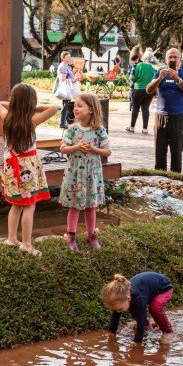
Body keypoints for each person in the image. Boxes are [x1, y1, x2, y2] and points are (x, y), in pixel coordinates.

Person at [0, 83, 57, 257]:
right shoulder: (32, 120)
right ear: (31, 103)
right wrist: (34, 107)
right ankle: (26, 244)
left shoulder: (6, 116)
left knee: (16, 204)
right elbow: (53, 108)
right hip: (27, 167)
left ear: (13, 101)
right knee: (29, 205)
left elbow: (0, 103)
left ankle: (11, 238)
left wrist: (15, 105)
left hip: (10, 166)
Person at [59, 93, 111, 251]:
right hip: (75, 173)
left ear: (91, 110)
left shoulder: (99, 130)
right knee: (74, 206)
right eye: (75, 105)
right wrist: (76, 147)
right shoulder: (72, 129)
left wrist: (93, 149)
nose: (75, 108)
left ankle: (91, 235)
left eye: (80, 106)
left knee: (91, 206)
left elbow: (107, 151)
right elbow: (62, 148)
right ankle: (71, 237)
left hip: (92, 174)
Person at [146, 48, 183, 173]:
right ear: (166, 59)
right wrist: (159, 79)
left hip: (177, 117)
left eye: (175, 57)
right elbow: (148, 89)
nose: (172, 59)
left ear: (180, 59)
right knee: (160, 152)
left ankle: (176, 179)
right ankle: (159, 178)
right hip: (160, 116)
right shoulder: (159, 73)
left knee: (176, 152)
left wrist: (178, 79)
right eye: (170, 57)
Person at [101, 272, 175, 344]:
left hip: (163, 288)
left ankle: (168, 332)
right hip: (147, 290)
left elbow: (141, 318)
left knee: (154, 308)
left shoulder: (138, 298)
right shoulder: (123, 297)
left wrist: (137, 341)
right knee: (134, 309)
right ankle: (147, 324)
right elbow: (116, 315)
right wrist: (112, 332)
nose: (118, 311)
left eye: (119, 308)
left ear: (128, 298)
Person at [126, 52, 156, 134]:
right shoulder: (153, 68)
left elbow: (132, 77)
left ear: (146, 58)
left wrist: (133, 81)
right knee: (145, 109)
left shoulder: (139, 65)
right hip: (149, 90)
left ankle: (132, 127)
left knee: (135, 108)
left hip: (138, 89)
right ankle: (145, 129)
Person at [56, 51, 81, 128]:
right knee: (65, 106)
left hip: (67, 88)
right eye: (68, 57)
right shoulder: (63, 67)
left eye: (70, 57)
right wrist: (74, 79)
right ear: (63, 58)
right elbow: (63, 79)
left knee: (65, 105)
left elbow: (67, 77)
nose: (70, 58)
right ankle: (62, 123)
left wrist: (73, 76)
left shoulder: (65, 66)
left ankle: (62, 122)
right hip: (66, 88)